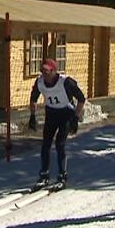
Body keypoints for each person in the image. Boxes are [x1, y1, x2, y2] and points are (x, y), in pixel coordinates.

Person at [29, 59, 86, 191]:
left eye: (47, 72)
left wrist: (76, 117)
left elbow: (81, 99)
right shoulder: (40, 82)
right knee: (45, 144)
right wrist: (32, 116)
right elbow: (33, 99)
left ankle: (62, 177)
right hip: (51, 113)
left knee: (60, 144)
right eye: (43, 71)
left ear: (54, 71)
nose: (45, 75)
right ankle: (44, 176)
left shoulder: (66, 82)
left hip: (66, 113)